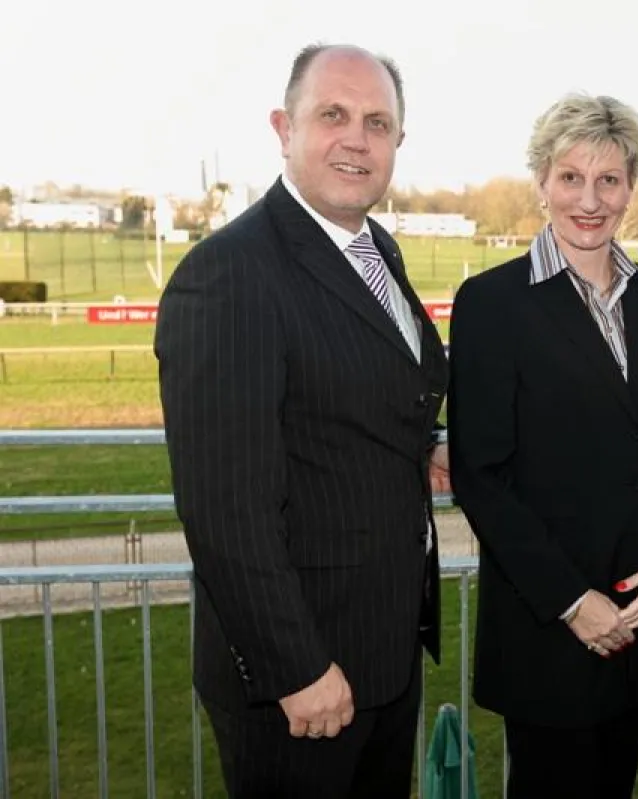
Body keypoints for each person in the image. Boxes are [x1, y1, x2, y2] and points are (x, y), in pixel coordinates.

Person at [154, 43, 448, 798]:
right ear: (285, 127)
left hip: (380, 656)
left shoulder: (373, 248)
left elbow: (353, 404)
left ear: (398, 145)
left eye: (377, 122)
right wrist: (297, 669)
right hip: (303, 683)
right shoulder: (230, 274)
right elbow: (225, 507)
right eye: (333, 115)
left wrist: (419, 449)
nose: (357, 138)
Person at [448, 93, 638, 799]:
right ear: (541, 181)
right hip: (549, 634)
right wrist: (572, 601)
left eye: (609, 180)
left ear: (632, 187)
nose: (589, 199)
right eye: (571, 177)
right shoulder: (492, 303)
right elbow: (481, 475)